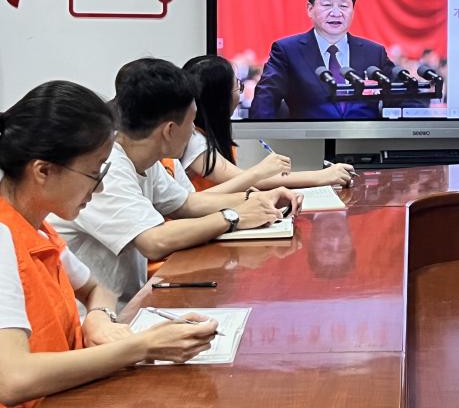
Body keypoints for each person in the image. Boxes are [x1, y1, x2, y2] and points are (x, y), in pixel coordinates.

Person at [0, 81, 217, 408]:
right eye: (93, 174)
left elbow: (96, 288)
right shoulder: (3, 237)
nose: (99, 189)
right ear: (43, 171)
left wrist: (98, 317)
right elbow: (14, 379)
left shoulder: (39, 229)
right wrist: (144, 346)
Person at [51, 59, 302, 308]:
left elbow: (186, 204)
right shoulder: (108, 167)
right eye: (191, 121)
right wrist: (233, 216)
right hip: (95, 318)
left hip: (128, 304)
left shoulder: (144, 156)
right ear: (169, 130)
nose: (193, 130)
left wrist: (255, 199)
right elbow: (154, 241)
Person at [172, 54, 354, 192]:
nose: (240, 93)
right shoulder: (196, 141)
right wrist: (322, 176)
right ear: (220, 100)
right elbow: (246, 180)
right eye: (237, 87)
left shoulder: (203, 137)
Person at [250, 0, 395, 120]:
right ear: (310, 9)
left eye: (344, 6)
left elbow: (401, 95)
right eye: (327, 5)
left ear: (353, 10)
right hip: (310, 135)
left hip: (364, 135)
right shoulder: (287, 51)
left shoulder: (374, 53)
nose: (336, 13)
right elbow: (265, 100)